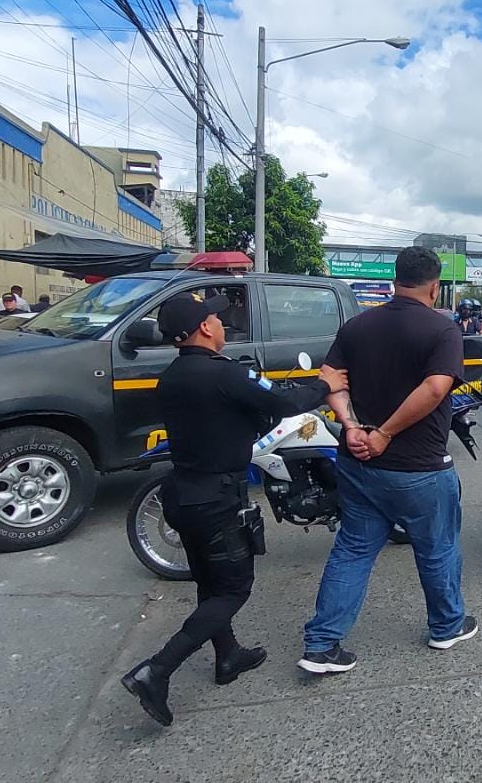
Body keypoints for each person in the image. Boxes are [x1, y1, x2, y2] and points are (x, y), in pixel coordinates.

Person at [121, 292, 348, 727]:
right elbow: (285, 405)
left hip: (181, 495)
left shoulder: (171, 377)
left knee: (210, 583)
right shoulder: (225, 374)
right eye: (217, 318)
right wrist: (325, 384)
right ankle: (156, 670)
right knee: (233, 590)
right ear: (205, 328)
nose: (223, 324)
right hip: (216, 500)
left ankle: (228, 656)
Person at [300, 246, 476, 675]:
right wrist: (383, 434)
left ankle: (321, 645)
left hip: (358, 464)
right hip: (418, 469)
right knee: (437, 548)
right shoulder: (442, 329)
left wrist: (352, 426)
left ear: (395, 280)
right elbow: (435, 389)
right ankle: (446, 626)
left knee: (353, 550)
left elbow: (330, 380)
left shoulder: (357, 326)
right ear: (434, 287)